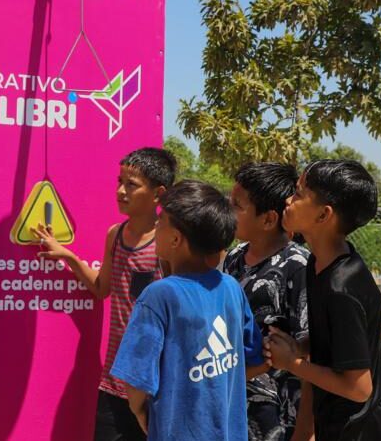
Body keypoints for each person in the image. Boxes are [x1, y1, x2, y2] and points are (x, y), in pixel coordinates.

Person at [33, 147, 176, 441]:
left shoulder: (168, 242)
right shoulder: (115, 235)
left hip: (154, 384)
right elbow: (101, 288)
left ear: (158, 194)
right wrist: (68, 257)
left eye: (131, 185)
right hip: (113, 380)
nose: (121, 191)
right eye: (119, 182)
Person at [111, 180, 264, 440]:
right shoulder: (230, 287)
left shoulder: (159, 295)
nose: (156, 226)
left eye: (161, 221)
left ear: (175, 238)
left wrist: (140, 411)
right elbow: (256, 359)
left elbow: (135, 383)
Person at [265, 159, 381, 440]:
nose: (288, 200)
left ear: (324, 215)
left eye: (299, 194)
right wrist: (300, 347)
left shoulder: (342, 287)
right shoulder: (319, 264)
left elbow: (359, 388)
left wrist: (291, 363)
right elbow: (333, 343)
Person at [223, 162, 311, 441]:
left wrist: (305, 433)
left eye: (237, 205)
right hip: (235, 409)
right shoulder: (235, 258)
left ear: (269, 219)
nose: (228, 210)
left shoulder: (298, 266)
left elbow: (310, 354)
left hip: (279, 420)